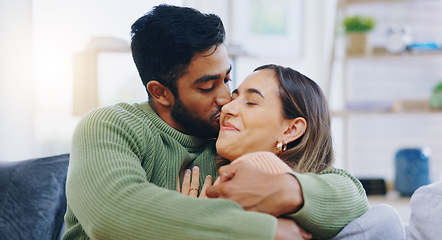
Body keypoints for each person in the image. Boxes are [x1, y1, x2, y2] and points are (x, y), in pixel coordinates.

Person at [63, 4, 368, 240]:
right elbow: (113, 213)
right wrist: (266, 231)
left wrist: (287, 191)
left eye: (227, 79)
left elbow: (349, 192)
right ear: (161, 93)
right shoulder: (111, 125)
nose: (226, 99)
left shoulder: (230, 147)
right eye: (208, 86)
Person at [181, 64, 369, 239]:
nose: (227, 108)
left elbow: (354, 196)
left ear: (291, 130)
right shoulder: (197, 159)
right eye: (234, 98)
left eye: (251, 102)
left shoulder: (326, 188)